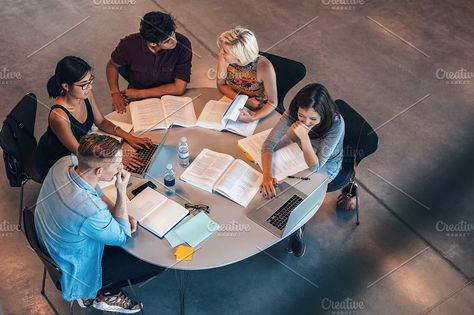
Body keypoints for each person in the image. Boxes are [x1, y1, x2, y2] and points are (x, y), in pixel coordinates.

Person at [35, 134, 165, 313]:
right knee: (157, 261)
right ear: (99, 172)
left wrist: (115, 212)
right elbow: (122, 236)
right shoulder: (90, 210)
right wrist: (121, 192)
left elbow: (96, 191)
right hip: (75, 269)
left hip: (52, 242)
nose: (121, 167)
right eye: (117, 164)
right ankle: (103, 292)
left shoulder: (63, 164)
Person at [260, 83, 345, 257]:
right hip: (300, 149)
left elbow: (317, 165)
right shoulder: (294, 112)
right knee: (275, 182)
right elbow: (268, 144)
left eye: (313, 119)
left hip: (326, 165)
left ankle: (295, 229)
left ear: (323, 114)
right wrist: (267, 175)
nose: (306, 122)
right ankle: (288, 223)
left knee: (295, 193)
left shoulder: (336, 124)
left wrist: (304, 137)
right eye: (301, 116)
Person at [36, 56, 151, 178]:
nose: (90, 87)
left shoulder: (86, 94)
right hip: (60, 159)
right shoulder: (58, 116)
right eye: (84, 84)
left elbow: (100, 122)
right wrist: (117, 158)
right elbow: (81, 153)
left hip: (84, 145)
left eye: (90, 81)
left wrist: (129, 137)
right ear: (65, 86)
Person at [107, 11, 192, 113]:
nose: (174, 41)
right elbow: (112, 66)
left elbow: (179, 88)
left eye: (173, 34)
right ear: (152, 43)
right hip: (137, 101)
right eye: (167, 41)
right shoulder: (128, 45)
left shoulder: (183, 44)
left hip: (169, 98)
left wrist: (140, 93)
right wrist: (115, 93)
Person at [216, 27, 278, 122]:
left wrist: (253, 118)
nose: (221, 52)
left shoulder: (264, 67)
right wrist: (244, 101)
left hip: (257, 108)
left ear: (239, 55)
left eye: (225, 51)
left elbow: (273, 103)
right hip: (233, 101)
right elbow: (221, 84)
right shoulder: (224, 58)